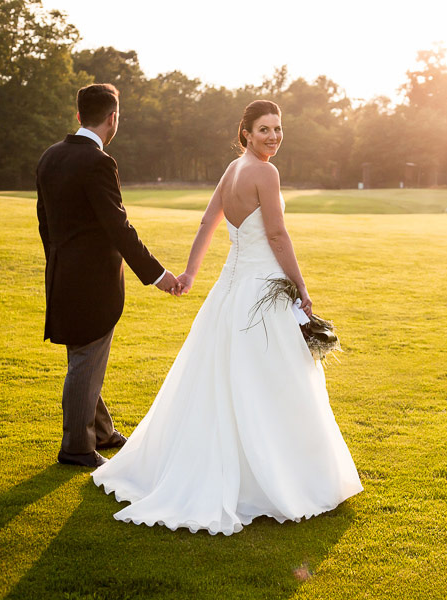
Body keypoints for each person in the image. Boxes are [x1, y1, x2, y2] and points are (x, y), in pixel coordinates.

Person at [91, 100, 363, 535]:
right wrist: (303, 288)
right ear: (246, 133)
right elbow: (275, 233)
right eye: (264, 129)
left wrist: (190, 276)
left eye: (278, 128)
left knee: (228, 378)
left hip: (230, 291)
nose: (273, 136)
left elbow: (208, 222)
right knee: (277, 380)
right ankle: (278, 479)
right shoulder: (265, 172)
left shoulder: (232, 170)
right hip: (260, 292)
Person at [36, 83, 179, 469]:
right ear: (112, 117)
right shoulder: (99, 162)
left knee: (84, 355)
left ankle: (101, 431)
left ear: (79, 114)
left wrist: (59, 262)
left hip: (61, 273)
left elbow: (44, 222)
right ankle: (78, 448)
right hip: (92, 283)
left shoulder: (50, 156)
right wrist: (159, 275)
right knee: (85, 358)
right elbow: (119, 228)